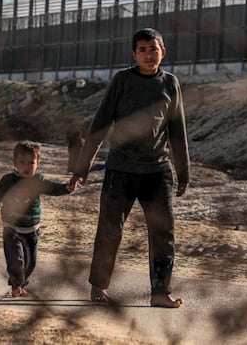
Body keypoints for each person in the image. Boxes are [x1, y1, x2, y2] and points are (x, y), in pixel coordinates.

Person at [68, 27, 190, 309]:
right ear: (134, 54)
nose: (149, 55)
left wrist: (183, 172)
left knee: (163, 232)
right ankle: (98, 286)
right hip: (121, 170)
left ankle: (160, 291)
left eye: (154, 49)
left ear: (163, 52)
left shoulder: (170, 83)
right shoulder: (122, 81)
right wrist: (81, 167)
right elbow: (99, 124)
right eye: (143, 50)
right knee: (110, 229)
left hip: (158, 172)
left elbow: (177, 130)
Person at [0, 140, 72, 298]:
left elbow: (53, 188)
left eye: (31, 162)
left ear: (38, 163)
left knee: (31, 263)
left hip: (32, 230)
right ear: (14, 163)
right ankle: (16, 286)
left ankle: (20, 283)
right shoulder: (8, 181)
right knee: (17, 260)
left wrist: (66, 188)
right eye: (22, 162)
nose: (27, 166)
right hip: (12, 228)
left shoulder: (38, 181)